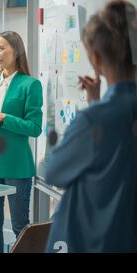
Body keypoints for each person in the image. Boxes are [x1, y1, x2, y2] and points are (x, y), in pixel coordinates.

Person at [45, 0, 137, 253]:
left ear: (95, 58)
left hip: (88, 241)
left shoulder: (93, 120)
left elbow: (54, 172)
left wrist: (92, 110)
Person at [0, 31, 43, 253]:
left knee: (19, 225)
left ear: (16, 51)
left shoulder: (30, 85)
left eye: (1, 48)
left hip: (16, 162)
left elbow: (34, 128)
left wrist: (5, 118)